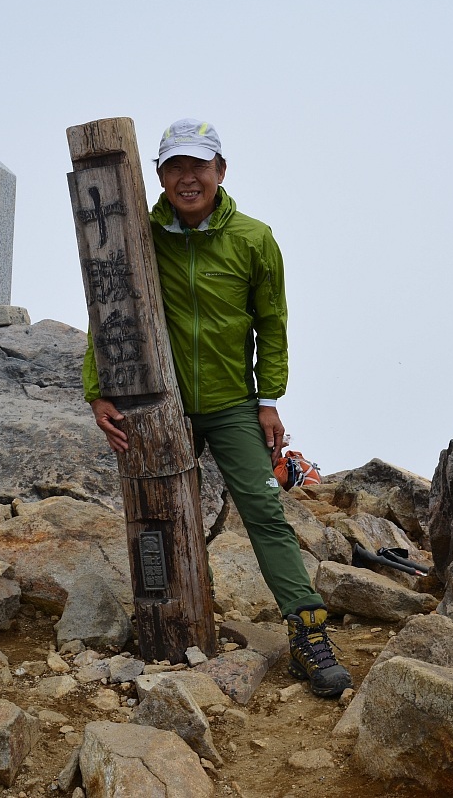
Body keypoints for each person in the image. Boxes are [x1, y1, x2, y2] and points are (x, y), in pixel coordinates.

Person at [84, 117, 352, 698]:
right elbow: (107, 309)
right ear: (158, 176)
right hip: (164, 404)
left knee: (263, 509)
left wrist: (268, 399)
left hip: (232, 402)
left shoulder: (254, 239)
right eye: (174, 167)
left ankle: (308, 633)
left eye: (197, 166)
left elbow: (272, 325)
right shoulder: (139, 235)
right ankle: (168, 621)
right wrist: (96, 389)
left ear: (220, 172)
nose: (187, 178)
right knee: (157, 507)